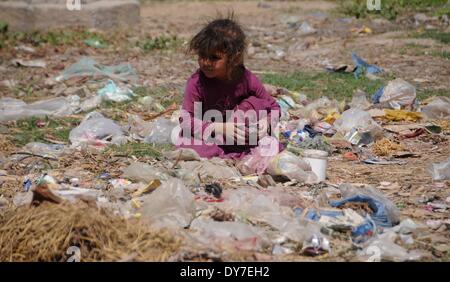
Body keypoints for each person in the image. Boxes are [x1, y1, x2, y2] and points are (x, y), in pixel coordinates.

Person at [177, 15, 281, 159]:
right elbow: (186, 121)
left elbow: (274, 107)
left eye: (214, 58)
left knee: (257, 105)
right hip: (210, 135)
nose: (206, 62)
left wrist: (267, 123)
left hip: (239, 136)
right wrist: (221, 128)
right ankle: (231, 154)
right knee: (191, 146)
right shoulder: (197, 83)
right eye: (202, 55)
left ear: (235, 58)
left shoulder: (246, 79)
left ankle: (238, 151)